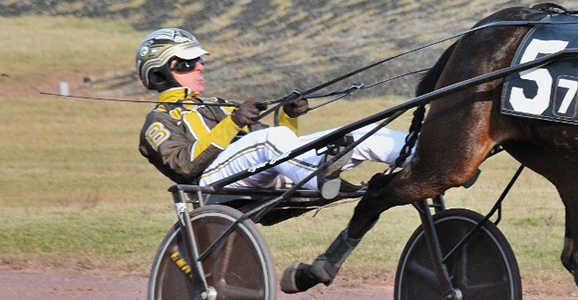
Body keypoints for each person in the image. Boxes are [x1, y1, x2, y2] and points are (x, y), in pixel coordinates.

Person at [136, 27, 410, 199]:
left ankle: (427, 154)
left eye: (200, 60)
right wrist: (232, 123)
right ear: (160, 72)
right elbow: (183, 166)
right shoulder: (159, 120)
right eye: (188, 62)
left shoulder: (216, 105)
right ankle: (320, 177)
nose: (199, 67)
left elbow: (283, 150)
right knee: (270, 140)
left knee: (358, 134)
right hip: (210, 185)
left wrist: (289, 115)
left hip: (259, 172)